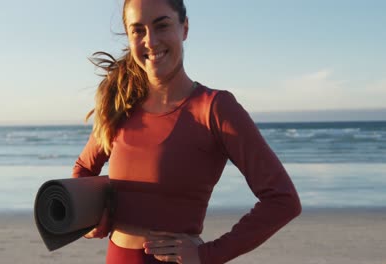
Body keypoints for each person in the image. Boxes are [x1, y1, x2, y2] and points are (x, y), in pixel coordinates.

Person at [72, 0, 302, 263]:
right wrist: (89, 216)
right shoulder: (119, 106)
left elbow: (283, 200)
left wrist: (208, 254)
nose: (150, 40)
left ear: (185, 28)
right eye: (138, 30)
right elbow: (83, 168)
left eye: (162, 26)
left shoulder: (215, 108)